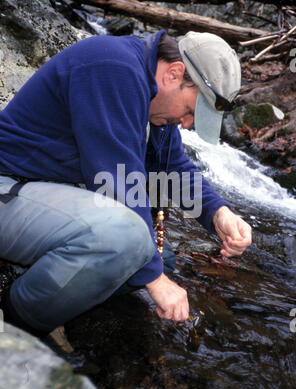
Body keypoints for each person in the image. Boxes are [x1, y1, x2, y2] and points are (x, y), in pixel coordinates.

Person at [0, 29, 252, 337]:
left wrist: (218, 213)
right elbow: (114, 182)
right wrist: (156, 281)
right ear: (174, 74)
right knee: (128, 244)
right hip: (7, 189)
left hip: (34, 191)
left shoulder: (150, 94)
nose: (187, 124)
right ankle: (17, 320)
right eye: (189, 111)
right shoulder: (112, 68)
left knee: (159, 258)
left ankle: (51, 295)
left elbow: (170, 167)